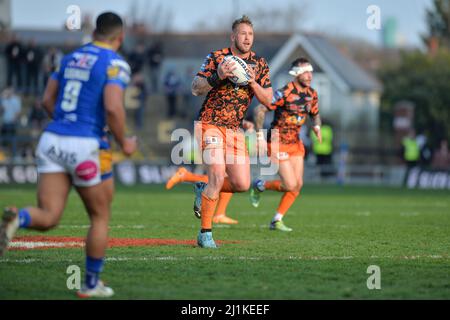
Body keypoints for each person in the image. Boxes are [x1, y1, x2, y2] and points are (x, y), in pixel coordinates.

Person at [0, 12, 137, 298]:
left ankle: (18, 218)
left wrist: (65, 124)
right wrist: (124, 141)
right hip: (85, 144)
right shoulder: (115, 63)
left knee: (49, 216)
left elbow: (47, 100)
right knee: (100, 217)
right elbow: (113, 107)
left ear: (96, 32)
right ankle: (90, 284)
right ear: (120, 37)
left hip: (52, 138)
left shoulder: (69, 57)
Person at [191, 15, 272, 248]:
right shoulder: (217, 57)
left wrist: (253, 82)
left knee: (241, 184)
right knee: (216, 174)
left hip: (234, 131)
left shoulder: (260, 63)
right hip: (210, 124)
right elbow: (195, 88)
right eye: (243, 34)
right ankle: (205, 234)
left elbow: (268, 100)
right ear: (233, 36)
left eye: (251, 34)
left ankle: (202, 188)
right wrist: (218, 77)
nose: (247, 38)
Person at [250, 57, 322, 232]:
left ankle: (276, 220)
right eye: (305, 71)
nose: (309, 75)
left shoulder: (312, 94)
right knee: (290, 185)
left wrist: (317, 126)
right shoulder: (285, 92)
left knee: (297, 185)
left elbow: (315, 113)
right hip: (277, 142)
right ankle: (260, 185)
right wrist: (259, 134)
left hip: (295, 143)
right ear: (296, 74)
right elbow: (259, 109)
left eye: (310, 71)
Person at [0, 87, 22, 157]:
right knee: (4, 140)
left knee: (12, 140)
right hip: (5, 123)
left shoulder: (16, 100)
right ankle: (3, 155)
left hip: (12, 123)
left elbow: (18, 112)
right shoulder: (4, 100)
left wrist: (14, 120)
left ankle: (13, 155)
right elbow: (1, 111)